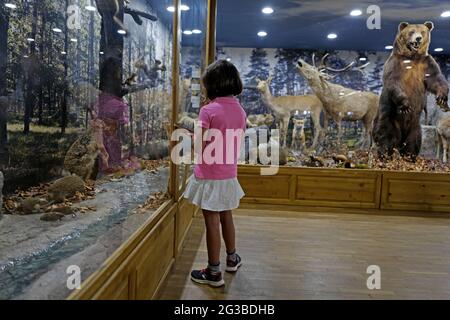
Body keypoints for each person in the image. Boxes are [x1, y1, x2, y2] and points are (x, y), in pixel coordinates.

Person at [184, 60, 247, 288]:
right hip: (228, 174)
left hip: (209, 175)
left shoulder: (207, 110)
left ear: (211, 85)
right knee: (226, 215)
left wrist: (187, 135)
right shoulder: (240, 110)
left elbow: (200, 147)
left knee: (211, 221)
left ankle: (213, 272)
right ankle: (232, 259)